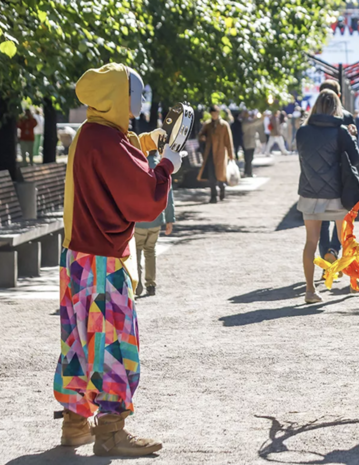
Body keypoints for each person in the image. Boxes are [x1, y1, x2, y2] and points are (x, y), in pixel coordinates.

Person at [56, 62, 182, 456]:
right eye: (133, 98)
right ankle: (110, 431)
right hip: (101, 264)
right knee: (113, 342)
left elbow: (118, 152)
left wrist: (144, 143)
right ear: (118, 98)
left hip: (76, 259)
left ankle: (76, 424)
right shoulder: (106, 142)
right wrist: (167, 164)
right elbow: (144, 199)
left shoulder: (91, 133)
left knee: (78, 341)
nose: (135, 107)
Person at [296, 90, 359, 304]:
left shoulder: (302, 131)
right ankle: (354, 283)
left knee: (311, 241)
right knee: (346, 240)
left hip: (309, 193)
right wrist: (353, 137)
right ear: (336, 108)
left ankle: (310, 290)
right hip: (337, 195)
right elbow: (355, 160)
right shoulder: (341, 131)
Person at [317, 80, 359, 271]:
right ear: (339, 95)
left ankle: (326, 256)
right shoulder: (345, 117)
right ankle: (334, 251)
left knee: (322, 220)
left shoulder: (313, 120)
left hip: (318, 177)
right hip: (342, 177)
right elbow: (354, 151)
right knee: (341, 218)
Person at [135, 152, 176, 297]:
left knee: (136, 252)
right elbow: (168, 197)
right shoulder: (162, 168)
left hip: (139, 220)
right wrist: (170, 220)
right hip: (156, 219)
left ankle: (137, 285)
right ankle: (151, 284)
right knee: (150, 251)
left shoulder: (137, 165)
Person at [198, 105, 235, 203]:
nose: (214, 115)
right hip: (209, 153)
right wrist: (203, 137)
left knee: (221, 174)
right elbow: (201, 135)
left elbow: (228, 140)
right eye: (212, 114)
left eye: (215, 113)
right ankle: (213, 196)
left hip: (221, 153)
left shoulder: (224, 125)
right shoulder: (208, 125)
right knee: (211, 175)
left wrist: (231, 154)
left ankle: (222, 189)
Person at [241, 111, 263, 177]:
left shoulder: (249, 121)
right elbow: (253, 123)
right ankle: (247, 172)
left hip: (252, 142)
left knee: (250, 158)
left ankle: (248, 172)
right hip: (247, 142)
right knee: (248, 158)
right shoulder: (245, 122)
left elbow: (257, 124)